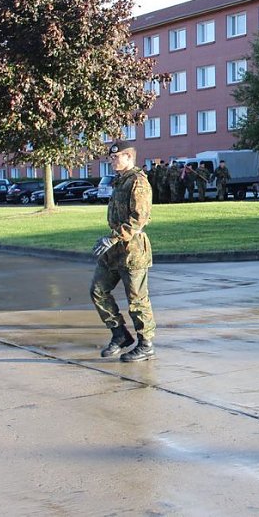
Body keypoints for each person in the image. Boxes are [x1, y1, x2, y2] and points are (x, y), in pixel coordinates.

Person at [90, 140, 157, 362]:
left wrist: (112, 238)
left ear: (129, 158)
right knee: (98, 290)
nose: (112, 160)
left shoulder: (138, 182)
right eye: (111, 157)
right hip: (114, 250)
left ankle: (146, 344)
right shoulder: (121, 181)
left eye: (116, 157)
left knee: (137, 300)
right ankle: (120, 335)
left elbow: (138, 219)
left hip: (133, 251)